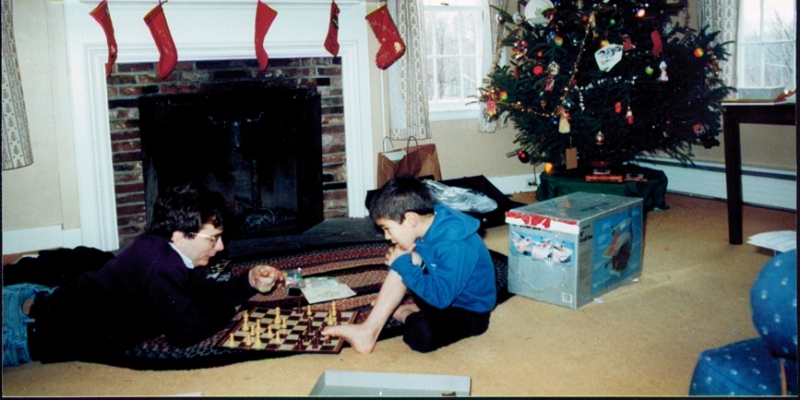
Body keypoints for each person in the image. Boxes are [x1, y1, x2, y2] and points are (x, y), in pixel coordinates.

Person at [2, 183, 283, 367]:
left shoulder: (174, 250)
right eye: (213, 239)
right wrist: (230, 308)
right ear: (180, 236)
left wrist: (248, 282)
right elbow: (185, 333)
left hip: (34, 304)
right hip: (19, 331)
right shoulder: (161, 266)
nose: (220, 247)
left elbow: (200, 293)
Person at [321, 175, 496, 353]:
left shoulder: (454, 244)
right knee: (405, 260)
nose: (387, 237)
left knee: (422, 333)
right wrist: (408, 260)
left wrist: (405, 266)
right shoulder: (425, 223)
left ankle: (403, 312)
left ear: (411, 219)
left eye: (387, 229)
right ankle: (369, 330)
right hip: (441, 290)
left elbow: (441, 299)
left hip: (469, 310)